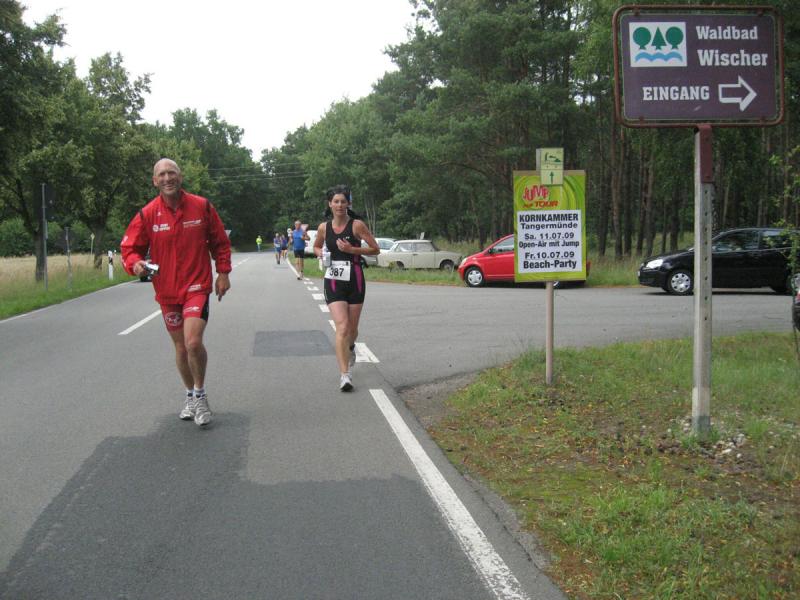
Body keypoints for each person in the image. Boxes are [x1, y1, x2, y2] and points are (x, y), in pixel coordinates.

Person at [121, 158, 231, 427]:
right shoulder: (147, 214)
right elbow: (130, 249)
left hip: (197, 285)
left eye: (172, 173)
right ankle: (190, 394)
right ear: (154, 181)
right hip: (167, 290)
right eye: (162, 174)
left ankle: (201, 395)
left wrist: (223, 272)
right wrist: (135, 264)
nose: (167, 178)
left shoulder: (201, 206)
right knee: (181, 348)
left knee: (193, 342)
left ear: (180, 177)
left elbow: (220, 242)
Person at [313, 185, 379, 391]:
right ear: (330, 204)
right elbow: (316, 246)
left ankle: (350, 347)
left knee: (351, 329)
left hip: (355, 279)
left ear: (348, 204)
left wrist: (352, 250)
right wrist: (321, 254)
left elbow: (375, 249)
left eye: (343, 201)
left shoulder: (357, 225)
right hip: (333, 279)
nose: (340, 205)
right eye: (336, 201)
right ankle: (345, 375)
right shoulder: (324, 228)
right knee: (341, 327)